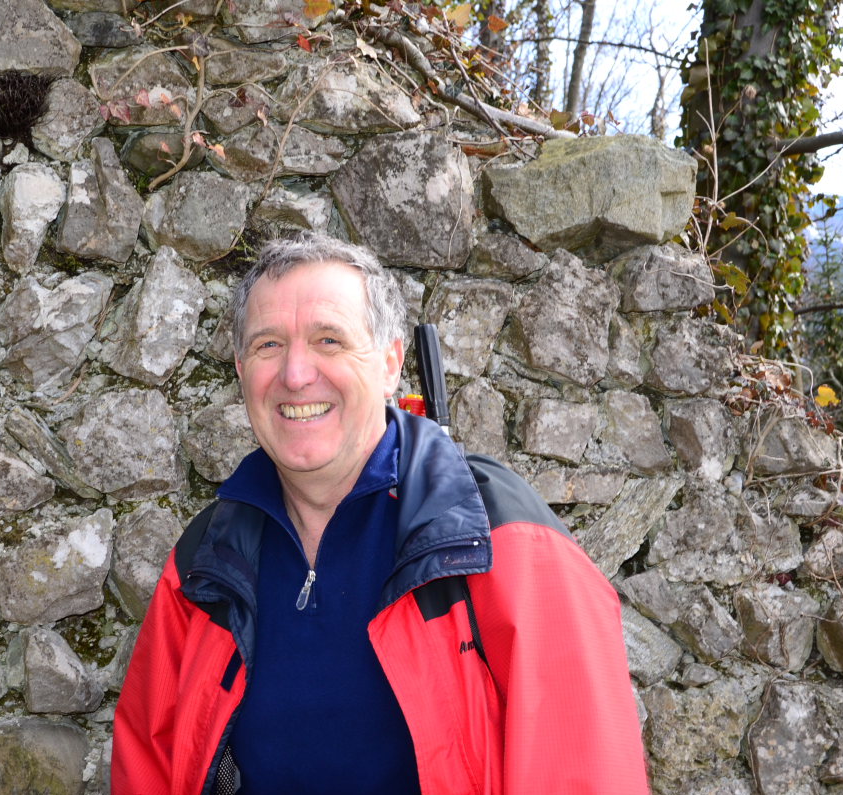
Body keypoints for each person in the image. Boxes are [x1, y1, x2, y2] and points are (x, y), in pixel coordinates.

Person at [112, 232, 648, 794]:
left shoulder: (498, 537)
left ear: (390, 364)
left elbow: (584, 770)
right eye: (269, 345)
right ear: (242, 370)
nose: (296, 374)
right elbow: (148, 762)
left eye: (329, 340)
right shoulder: (205, 559)